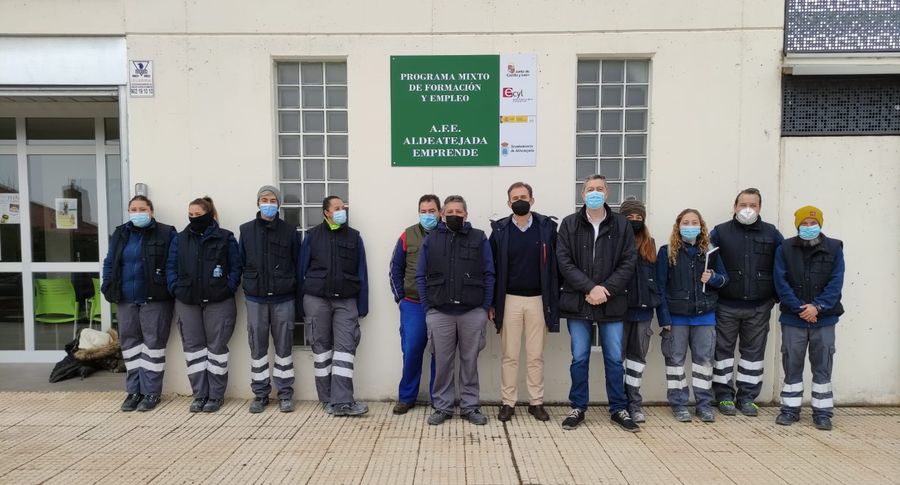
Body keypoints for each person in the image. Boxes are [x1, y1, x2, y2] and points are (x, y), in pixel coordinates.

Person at [557, 174, 639, 432]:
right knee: (579, 357)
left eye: (599, 189)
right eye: (590, 189)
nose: (595, 192)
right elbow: (564, 261)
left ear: (607, 193)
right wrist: (590, 288)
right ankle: (578, 407)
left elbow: (628, 261)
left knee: (615, 359)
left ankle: (618, 408)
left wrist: (605, 290)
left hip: (611, 302)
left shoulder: (622, 225)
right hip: (578, 302)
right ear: (582, 195)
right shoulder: (569, 224)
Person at [416, 195, 495, 426]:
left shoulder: (479, 238)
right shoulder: (431, 240)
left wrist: (484, 306)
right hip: (439, 311)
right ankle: (442, 407)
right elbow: (420, 275)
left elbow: (490, 273)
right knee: (442, 363)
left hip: (472, 311)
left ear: (466, 215)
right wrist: (427, 307)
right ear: (442, 214)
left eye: (458, 212)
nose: (454, 216)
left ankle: (470, 407)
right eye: (449, 212)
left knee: (470, 362)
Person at [710, 188, 784, 417]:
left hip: (759, 306)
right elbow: (708, 264)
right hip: (726, 305)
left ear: (760, 208)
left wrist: (773, 298)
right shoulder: (720, 233)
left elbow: (782, 266)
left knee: (753, 355)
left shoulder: (772, 233)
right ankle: (723, 397)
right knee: (722, 352)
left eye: (753, 205)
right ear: (735, 206)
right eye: (743, 204)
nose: (748, 209)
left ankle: (747, 397)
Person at [489, 182, 559, 423]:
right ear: (508, 203)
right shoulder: (499, 230)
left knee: (535, 355)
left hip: (539, 301)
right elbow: (492, 269)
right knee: (509, 355)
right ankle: (508, 403)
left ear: (532, 199)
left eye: (524, 196)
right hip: (509, 300)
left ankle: (536, 402)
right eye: (515, 197)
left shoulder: (547, 228)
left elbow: (556, 267)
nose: (520, 200)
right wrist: (491, 303)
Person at [166, 197, 241, 413]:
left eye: (198, 214)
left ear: (209, 214)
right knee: (194, 350)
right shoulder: (179, 239)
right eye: (190, 214)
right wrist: (175, 288)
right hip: (187, 301)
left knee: (217, 350)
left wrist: (227, 287)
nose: (193, 218)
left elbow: (236, 267)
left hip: (219, 301)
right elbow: (171, 266)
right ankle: (200, 394)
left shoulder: (225, 237)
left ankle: (216, 395)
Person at [101, 195, 176, 412]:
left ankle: (151, 393)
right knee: (130, 346)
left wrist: (168, 287)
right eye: (133, 209)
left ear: (151, 211)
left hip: (155, 299)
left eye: (142, 208)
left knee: (153, 346)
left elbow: (172, 263)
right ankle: (133, 391)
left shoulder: (165, 232)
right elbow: (110, 261)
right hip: (126, 299)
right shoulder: (120, 232)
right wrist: (107, 284)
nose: (137, 212)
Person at [774, 206, 844, 431]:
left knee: (822, 365)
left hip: (824, 318)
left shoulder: (834, 247)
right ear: (797, 226)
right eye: (804, 224)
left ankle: (822, 413)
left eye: (812, 223)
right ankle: (789, 410)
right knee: (791, 363)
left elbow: (836, 281)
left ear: (820, 224)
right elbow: (780, 280)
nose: (808, 227)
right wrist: (800, 308)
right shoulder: (785, 247)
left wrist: (818, 307)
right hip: (793, 318)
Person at [300, 196, 369, 416]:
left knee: (345, 350)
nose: (342, 211)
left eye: (343, 207)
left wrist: (362, 304)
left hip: (346, 300)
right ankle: (327, 399)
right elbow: (301, 270)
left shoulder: (354, 237)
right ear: (326, 213)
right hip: (316, 299)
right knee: (321, 350)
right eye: (337, 208)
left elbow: (362, 272)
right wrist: (299, 305)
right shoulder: (312, 236)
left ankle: (343, 401)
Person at [656, 208, 728, 423]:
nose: (690, 225)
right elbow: (660, 287)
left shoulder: (711, 251)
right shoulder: (667, 252)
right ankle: (679, 404)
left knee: (703, 362)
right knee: (675, 362)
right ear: (678, 226)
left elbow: (725, 279)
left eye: (694, 221)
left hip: (705, 316)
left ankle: (704, 405)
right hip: (676, 318)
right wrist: (664, 318)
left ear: (701, 225)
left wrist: (713, 278)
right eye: (685, 222)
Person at [239, 185, 303, 414]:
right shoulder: (246, 231)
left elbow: (297, 264)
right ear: (257, 203)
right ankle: (260, 394)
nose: (268, 203)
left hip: (283, 297)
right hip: (256, 298)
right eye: (264, 199)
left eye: (272, 200)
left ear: (279, 204)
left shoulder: (289, 231)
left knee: (284, 347)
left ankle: (285, 393)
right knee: (257, 347)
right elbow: (242, 261)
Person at [388, 194, 440, 415]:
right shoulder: (407, 235)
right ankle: (407, 397)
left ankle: (439, 399)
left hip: (440, 305)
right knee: (411, 351)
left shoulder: (448, 233)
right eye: (423, 211)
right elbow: (395, 268)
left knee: (441, 354)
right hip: (413, 304)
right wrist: (400, 298)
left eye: (431, 211)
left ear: (440, 212)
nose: (427, 215)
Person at [618, 197, 660, 424]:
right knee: (618, 359)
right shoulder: (614, 242)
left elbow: (659, 281)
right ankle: (619, 403)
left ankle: (634, 403)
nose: (634, 220)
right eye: (629, 217)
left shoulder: (650, 244)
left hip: (643, 313)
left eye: (638, 217)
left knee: (636, 360)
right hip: (619, 311)